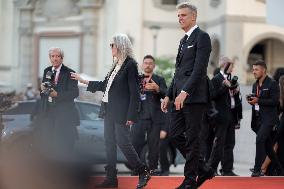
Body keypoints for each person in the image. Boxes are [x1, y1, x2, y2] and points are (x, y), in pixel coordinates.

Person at [71, 34, 151, 189]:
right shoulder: (116, 65)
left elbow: (134, 93)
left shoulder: (130, 65)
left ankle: (143, 171)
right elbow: (104, 85)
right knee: (109, 144)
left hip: (121, 112)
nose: (111, 48)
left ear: (120, 46)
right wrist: (83, 80)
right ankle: (111, 178)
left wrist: (132, 115)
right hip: (108, 109)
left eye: (112, 45)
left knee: (123, 142)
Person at [161, 2, 212, 189]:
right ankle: (204, 168)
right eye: (178, 16)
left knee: (192, 139)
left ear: (194, 17)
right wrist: (168, 95)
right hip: (178, 97)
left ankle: (190, 180)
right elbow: (177, 72)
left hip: (194, 98)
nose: (180, 18)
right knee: (174, 136)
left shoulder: (203, 37)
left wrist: (185, 92)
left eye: (183, 15)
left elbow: (199, 70)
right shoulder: (183, 41)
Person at [37, 47, 80, 158]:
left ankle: (63, 167)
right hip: (48, 112)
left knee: (62, 143)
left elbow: (75, 93)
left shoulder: (70, 72)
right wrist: (41, 89)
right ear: (50, 58)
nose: (55, 59)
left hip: (64, 113)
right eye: (53, 56)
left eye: (57, 56)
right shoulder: (47, 70)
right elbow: (44, 92)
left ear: (61, 58)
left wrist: (58, 95)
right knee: (48, 143)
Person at [131, 55, 167, 174]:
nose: (148, 65)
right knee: (136, 143)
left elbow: (167, 95)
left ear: (154, 65)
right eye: (145, 63)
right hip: (139, 117)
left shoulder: (159, 79)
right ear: (142, 65)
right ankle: (136, 169)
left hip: (155, 118)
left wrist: (157, 88)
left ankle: (152, 169)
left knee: (154, 146)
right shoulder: (136, 79)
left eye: (150, 63)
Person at [247, 60, 284, 177]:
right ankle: (280, 169)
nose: (254, 72)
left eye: (256, 69)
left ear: (263, 70)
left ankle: (257, 169)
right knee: (268, 148)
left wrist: (258, 100)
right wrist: (252, 101)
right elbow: (257, 102)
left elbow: (274, 101)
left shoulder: (272, 84)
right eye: (253, 69)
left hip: (269, 119)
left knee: (259, 140)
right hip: (259, 120)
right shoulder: (254, 85)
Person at [206, 57, 241, 176]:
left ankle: (227, 169)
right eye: (231, 65)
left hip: (231, 114)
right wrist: (224, 86)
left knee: (230, 143)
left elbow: (233, 98)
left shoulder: (231, 79)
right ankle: (212, 168)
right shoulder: (216, 79)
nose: (233, 68)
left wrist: (236, 92)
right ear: (225, 65)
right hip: (220, 115)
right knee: (219, 143)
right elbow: (212, 96)